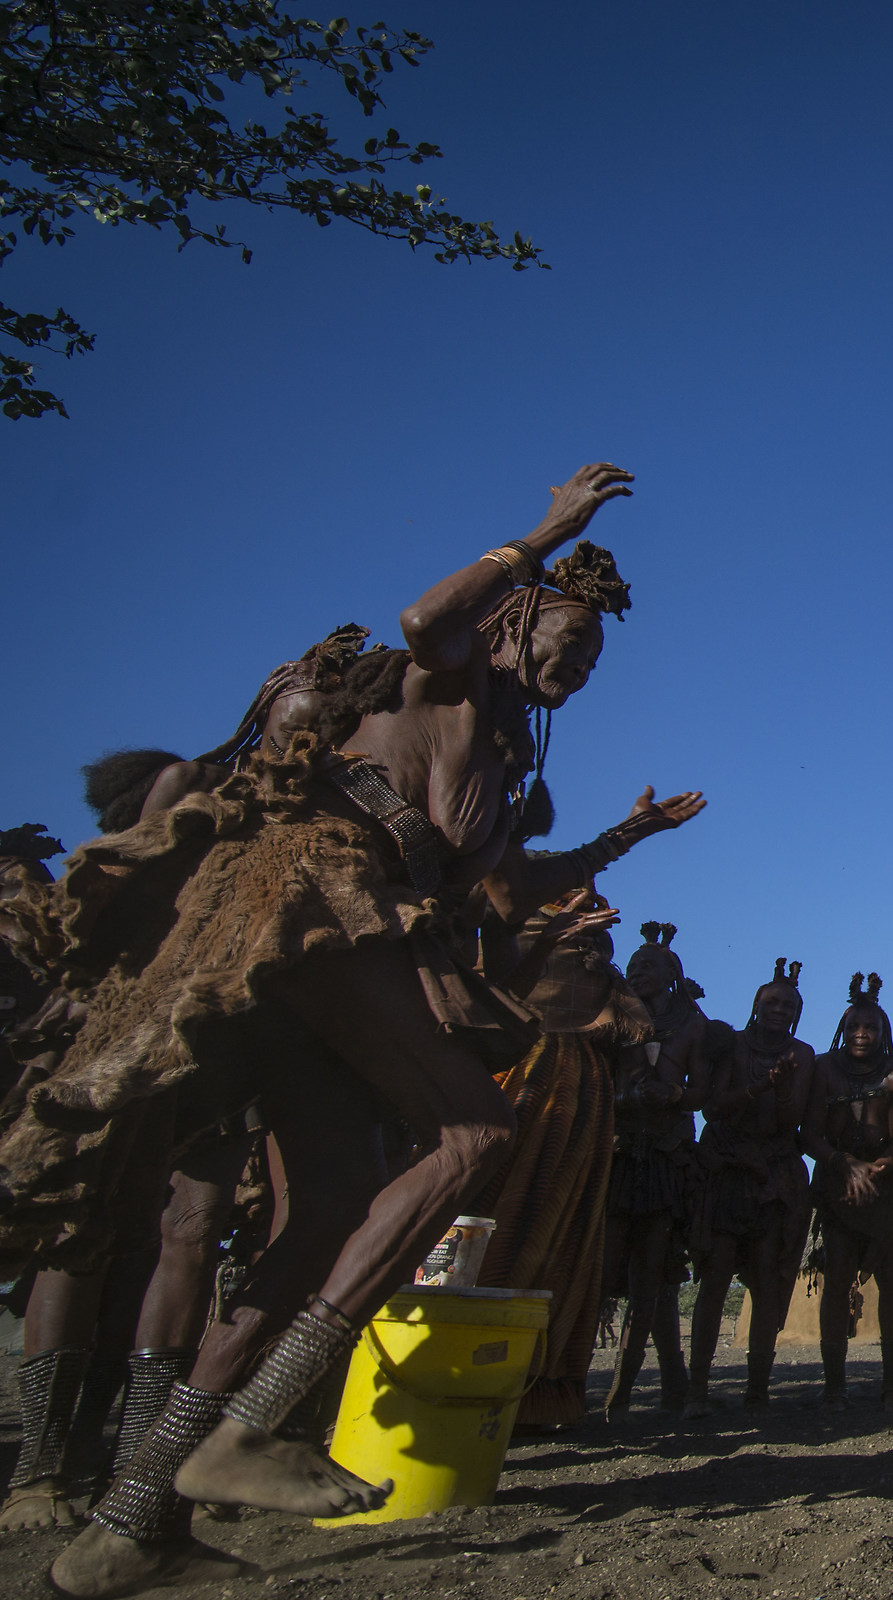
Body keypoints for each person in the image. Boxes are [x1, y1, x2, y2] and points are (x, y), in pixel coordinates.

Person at [0, 465, 699, 1599]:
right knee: (470, 1133)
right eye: (567, 641)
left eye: (593, 658)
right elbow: (426, 618)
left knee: (328, 1201)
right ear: (519, 618)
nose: (578, 664)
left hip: (355, 934)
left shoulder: (512, 754)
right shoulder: (453, 670)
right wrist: (547, 532)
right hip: (313, 897)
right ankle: (250, 1427)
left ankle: (128, 1527)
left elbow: (512, 884)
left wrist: (627, 839)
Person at [473, 887, 645, 1430]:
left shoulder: (602, 972)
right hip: (516, 1081)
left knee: (559, 1228)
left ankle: (532, 1388)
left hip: (576, 1097)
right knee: (485, 1218)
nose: (588, 901)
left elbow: (637, 1028)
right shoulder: (506, 942)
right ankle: (462, 1370)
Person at [687, 959, 814, 1418]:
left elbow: (791, 1121)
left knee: (765, 1279)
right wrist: (758, 1087)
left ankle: (757, 1392)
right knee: (715, 1280)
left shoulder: (802, 1054)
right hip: (726, 1173)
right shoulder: (733, 1046)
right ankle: (696, 1392)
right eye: (771, 1002)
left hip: (773, 1178)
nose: (778, 1009)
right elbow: (713, 1108)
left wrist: (777, 1091)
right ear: (756, 1006)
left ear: (798, 1013)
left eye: (787, 1005)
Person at [801, 973, 893, 1410]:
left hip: (887, 1185)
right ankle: (834, 1386)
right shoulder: (823, 1069)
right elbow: (810, 1134)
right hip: (838, 1182)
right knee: (836, 1278)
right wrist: (844, 1165)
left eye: (870, 1028)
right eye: (854, 1027)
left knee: (892, 1273)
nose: (861, 1034)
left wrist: (875, 1170)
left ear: (883, 1032)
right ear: (843, 1028)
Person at [601, 921, 709, 1420]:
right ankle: (665, 1383)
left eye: (650, 966)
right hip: (617, 1149)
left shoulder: (690, 1025)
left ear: (672, 975)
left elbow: (702, 1093)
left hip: (666, 1155)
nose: (638, 971)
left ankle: (627, 1389)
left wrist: (674, 1095)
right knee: (605, 1268)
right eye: (634, 963)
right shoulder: (610, 1015)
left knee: (656, 1273)